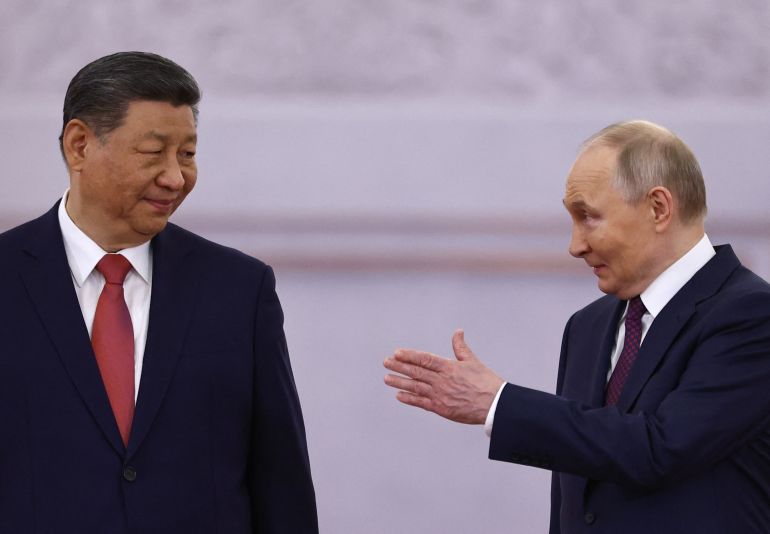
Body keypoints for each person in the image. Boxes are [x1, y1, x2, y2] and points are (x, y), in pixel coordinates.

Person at [384, 120, 770, 533]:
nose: (575, 246)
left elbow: (660, 449)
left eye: (588, 217)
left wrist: (499, 404)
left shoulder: (750, 315)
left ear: (659, 208)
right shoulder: (588, 326)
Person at [0, 52, 318, 533]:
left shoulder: (239, 289)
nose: (175, 177)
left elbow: (281, 484)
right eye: (154, 152)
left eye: (187, 154)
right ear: (79, 145)